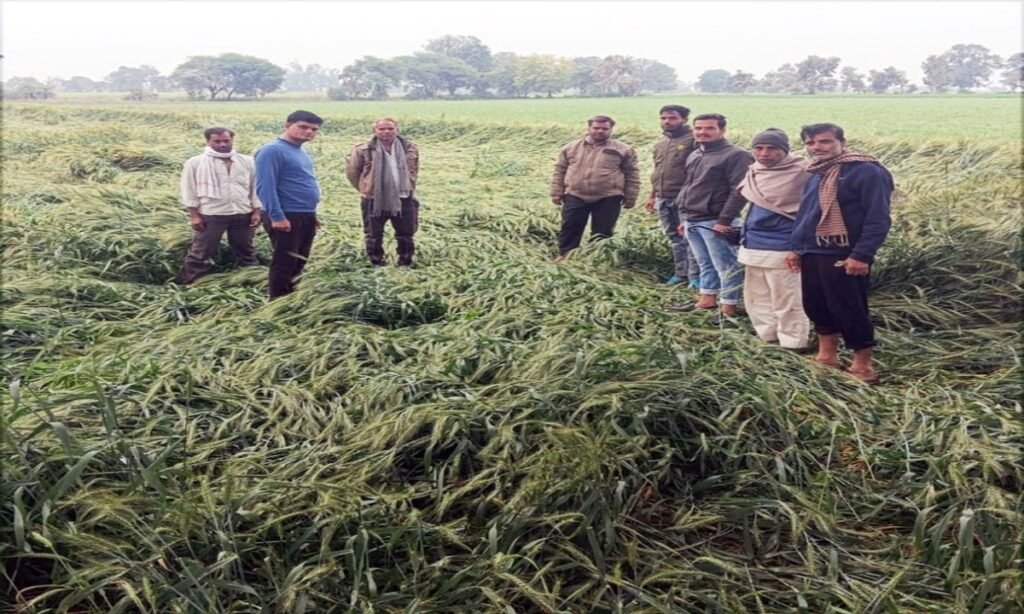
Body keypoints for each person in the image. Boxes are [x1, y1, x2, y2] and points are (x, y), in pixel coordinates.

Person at [785, 123, 894, 383]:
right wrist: (796, 248)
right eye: (811, 143)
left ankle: (863, 366)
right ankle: (827, 356)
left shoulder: (866, 171)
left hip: (844, 253)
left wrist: (862, 255)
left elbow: (878, 218)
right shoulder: (816, 173)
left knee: (849, 308)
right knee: (816, 305)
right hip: (812, 250)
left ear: (841, 143)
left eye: (824, 142)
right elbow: (806, 214)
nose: (816, 148)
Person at [735, 128, 811, 348]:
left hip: (784, 244)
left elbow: (810, 212)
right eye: (758, 148)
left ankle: (793, 343)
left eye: (771, 148)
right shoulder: (754, 171)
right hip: (753, 242)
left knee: (787, 298)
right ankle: (767, 337)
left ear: (784, 150)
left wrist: (797, 247)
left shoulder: (803, 171)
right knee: (756, 296)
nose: (764, 153)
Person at [674, 113, 753, 316]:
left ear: (722, 130)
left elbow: (739, 190)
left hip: (715, 220)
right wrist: (684, 218)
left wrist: (724, 220)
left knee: (726, 264)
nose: (702, 132)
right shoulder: (695, 153)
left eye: (709, 128)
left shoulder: (736, 155)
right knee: (704, 262)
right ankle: (707, 298)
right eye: (698, 128)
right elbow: (689, 186)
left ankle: (729, 305)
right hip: (693, 218)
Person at [550, 115, 640, 260]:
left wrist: (631, 196)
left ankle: (597, 257)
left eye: (604, 128)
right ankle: (565, 254)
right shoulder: (571, 148)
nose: (600, 131)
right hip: (575, 194)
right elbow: (560, 169)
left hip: (609, 196)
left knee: (603, 230)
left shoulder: (623, 149)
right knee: (570, 226)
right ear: (589, 128)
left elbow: (632, 173)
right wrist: (556, 192)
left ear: (611, 130)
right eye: (596, 128)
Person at [177, 127, 260, 284]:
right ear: (208, 141)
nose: (222, 144)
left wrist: (256, 211)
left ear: (232, 140)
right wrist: (194, 216)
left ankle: (252, 281)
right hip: (211, 214)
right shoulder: (195, 163)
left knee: (246, 250)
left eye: (226, 141)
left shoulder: (247, 162)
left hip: (242, 212)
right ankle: (194, 284)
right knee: (201, 252)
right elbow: (189, 190)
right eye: (217, 141)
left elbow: (255, 188)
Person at [255, 110, 324, 299]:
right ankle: (278, 302)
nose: (309, 132)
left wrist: (312, 214)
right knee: (284, 262)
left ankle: (292, 298)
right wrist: (277, 216)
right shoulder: (272, 150)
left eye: (313, 129)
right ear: (287, 125)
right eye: (303, 126)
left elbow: (299, 182)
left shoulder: (300, 151)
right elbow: (265, 186)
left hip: (304, 214)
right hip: (286, 215)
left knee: (299, 261)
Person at [345, 118, 420, 267]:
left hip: (404, 197)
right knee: (373, 234)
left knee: (406, 233)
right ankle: (377, 262)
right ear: (375, 131)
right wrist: (366, 188)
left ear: (397, 130)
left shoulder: (410, 148)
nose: (386, 132)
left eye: (390, 128)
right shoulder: (362, 150)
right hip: (374, 199)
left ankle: (405, 261)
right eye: (382, 129)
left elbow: (414, 170)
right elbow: (353, 172)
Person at [643, 104, 700, 287]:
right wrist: (652, 196)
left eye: (672, 118)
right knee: (674, 238)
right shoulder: (661, 144)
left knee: (690, 238)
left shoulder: (694, 140)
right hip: (663, 197)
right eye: (663, 118)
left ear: (684, 120)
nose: (667, 122)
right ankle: (680, 274)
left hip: (685, 198)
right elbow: (658, 171)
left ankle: (695, 277)